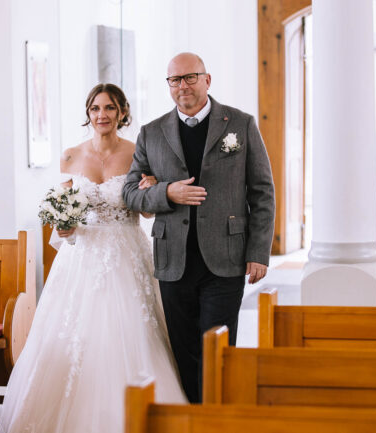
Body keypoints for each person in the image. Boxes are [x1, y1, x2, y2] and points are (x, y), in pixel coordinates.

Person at [0, 83, 186, 433]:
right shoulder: (70, 156)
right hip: (81, 258)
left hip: (127, 252)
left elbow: (145, 214)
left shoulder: (137, 152)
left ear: (122, 113)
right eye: (96, 109)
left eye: (110, 108)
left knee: (134, 331)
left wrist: (147, 193)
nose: (102, 115)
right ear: (88, 114)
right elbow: (62, 212)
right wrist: (64, 228)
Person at [122, 52, 275, 403]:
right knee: (184, 351)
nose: (182, 86)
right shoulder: (151, 132)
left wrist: (258, 252)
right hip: (172, 259)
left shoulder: (240, 124)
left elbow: (262, 192)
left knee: (218, 348)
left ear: (207, 80)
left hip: (226, 257)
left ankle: (218, 418)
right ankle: (192, 417)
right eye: (175, 80)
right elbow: (130, 194)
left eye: (190, 77)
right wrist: (166, 193)